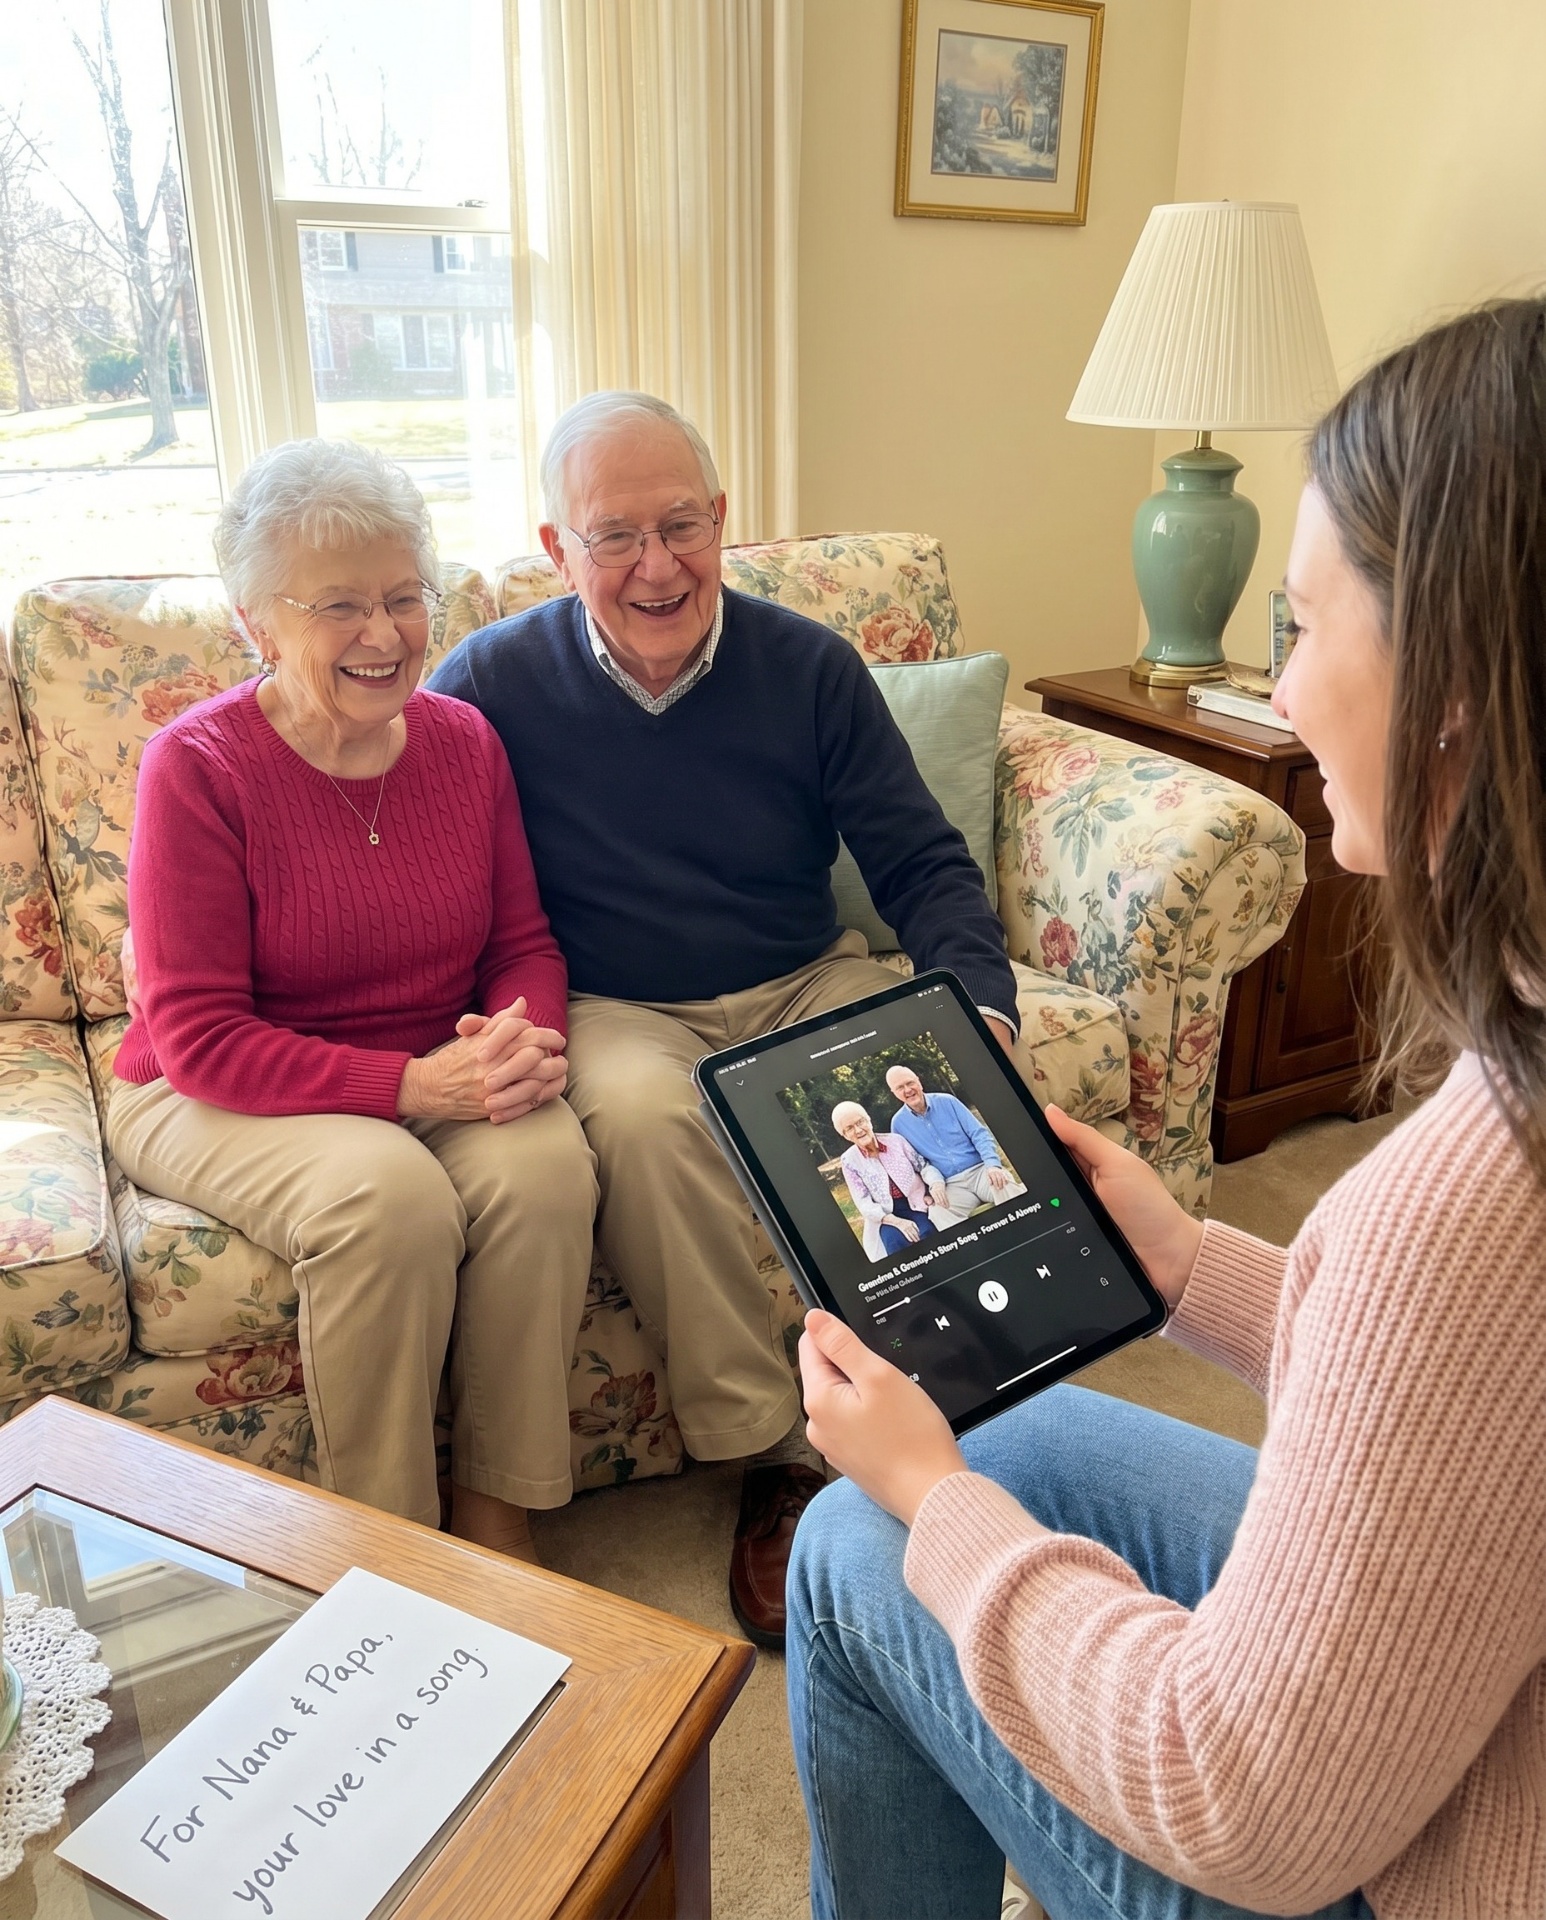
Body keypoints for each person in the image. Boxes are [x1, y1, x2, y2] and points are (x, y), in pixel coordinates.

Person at [784, 298, 1546, 1919]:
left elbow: (1234, 1800)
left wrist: (931, 1495)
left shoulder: (1477, 1195)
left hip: (1445, 1859)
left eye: (1300, 623)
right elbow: (1479, 1403)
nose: (1277, 687)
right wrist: (1189, 1258)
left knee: (862, 1549)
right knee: (1025, 1428)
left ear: (1459, 691)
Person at [427, 390, 1027, 1645]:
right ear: (555, 549)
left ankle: (973, 1401)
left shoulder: (807, 667)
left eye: (682, 524)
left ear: (724, 523)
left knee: (935, 1079)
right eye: (614, 536)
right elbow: (430, 873)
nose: (657, 565)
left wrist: (981, 1008)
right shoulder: (484, 682)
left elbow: (919, 862)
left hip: (802, 975)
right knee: (645, 1123)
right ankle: (776, 1458)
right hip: (617, 1004)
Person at [109, 439, 598, 1561]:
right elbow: (195, 1034)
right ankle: (388, 1553)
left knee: (543, 1165)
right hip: (213, 1084)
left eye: (401, 599)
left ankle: (499, 1510)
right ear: (257, 623)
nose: (384, 636)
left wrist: (521, 1042)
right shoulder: (201, 768)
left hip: (433, 1060)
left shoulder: (464, 742)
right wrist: (411, 1085)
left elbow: (522, 942)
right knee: (389, 1200)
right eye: (340, 607)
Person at [885, 1065, 1027, 1214]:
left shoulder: (947, 1101)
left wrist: (992, 1165)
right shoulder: (898, 1124)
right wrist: (928, 1189)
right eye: (900, 1087)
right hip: (949, 1184)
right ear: (894, 1093)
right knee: (938, 1214)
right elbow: (913, 1165)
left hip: (980, 1171)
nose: (907, 1090)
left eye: (910, 1083)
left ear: (919, 1082)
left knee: (1006, 1187)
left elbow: (979, 1134)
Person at [831, 1101, 950, 1261]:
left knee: (926, 1232)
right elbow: (863, 1202)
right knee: (895, 1242)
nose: (858, 1130)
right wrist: (897, 1222)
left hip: (915, 1204)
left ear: (869, 1120)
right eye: (850, 1128)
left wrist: (935, 1184)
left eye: (860, 1122)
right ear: (844, 1135)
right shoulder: (849, 1160)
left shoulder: (895, 1141)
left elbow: (923, 1167)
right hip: (885, 1215)